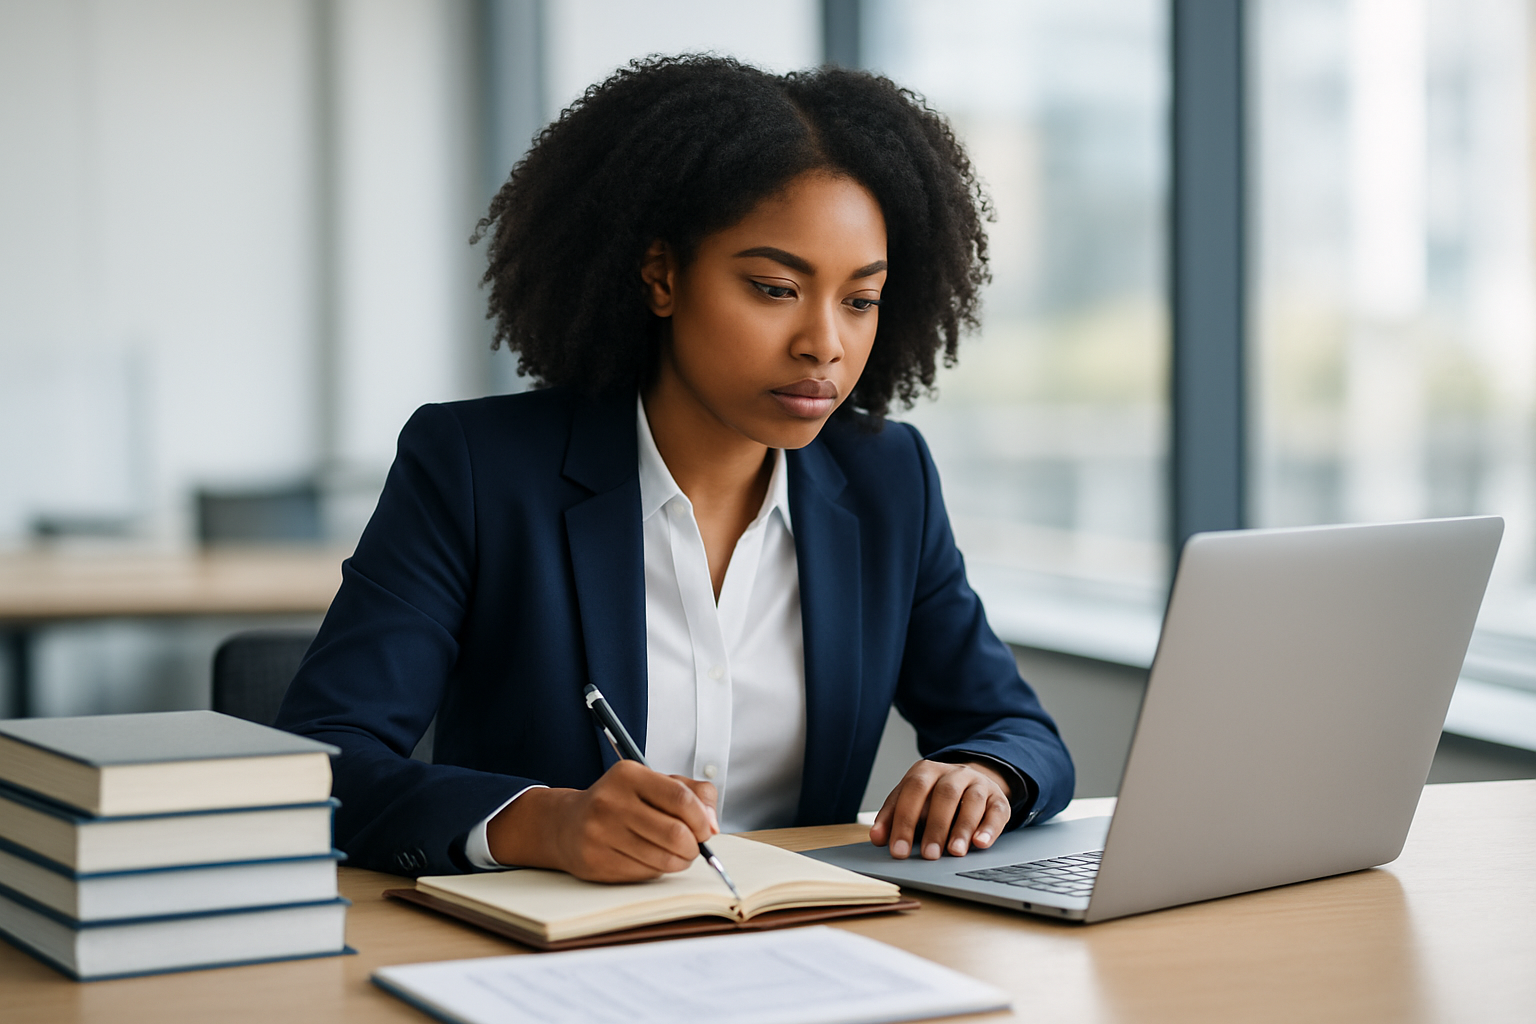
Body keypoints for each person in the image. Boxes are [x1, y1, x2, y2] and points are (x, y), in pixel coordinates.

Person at [276, 55, 1074, 882]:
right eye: (773, 288)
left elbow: (1018, 734)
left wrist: (986, 777)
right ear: (661, 275)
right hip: (540, 961)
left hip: (801, 953)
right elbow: (323, 760)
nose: (824, 344)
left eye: (860, 299)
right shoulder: (477, 468)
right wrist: (538, 822)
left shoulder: (887, 478)